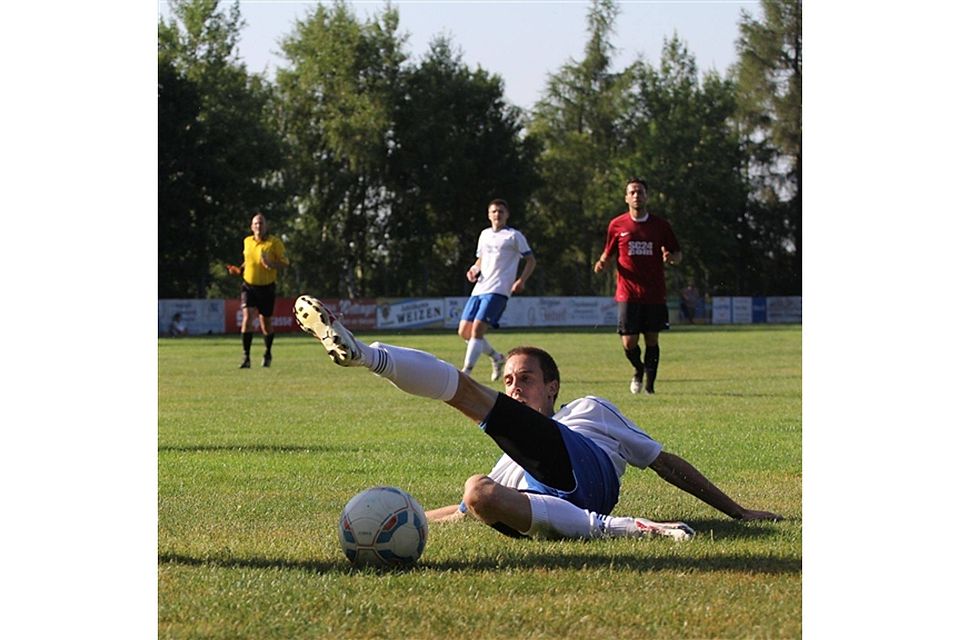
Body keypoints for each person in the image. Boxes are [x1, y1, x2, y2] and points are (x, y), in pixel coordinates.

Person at [293, 295, 782, 542]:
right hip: (552, 503)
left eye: (524, 379)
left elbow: (662, 461)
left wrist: (738, 512)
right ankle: (630, 528)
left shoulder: (589, 410)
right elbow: (460, 514)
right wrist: (404, 520)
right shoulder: (512, 458)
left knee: (465, 393)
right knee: (478, 491)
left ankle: (367, 357)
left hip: (584, 466)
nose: (513, 386)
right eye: (508, 380)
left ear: (553, 388)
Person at [594, 177, 681, 395]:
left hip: (654, 292)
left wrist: (671, 257)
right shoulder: (617, 225)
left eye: (640, 192)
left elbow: (677, 254)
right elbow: (608, 251)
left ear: (646, 196)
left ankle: (650, 388)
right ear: (626, 197)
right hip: (627, 292)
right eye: (632, 192)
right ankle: (638, 369)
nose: (636, 195)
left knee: (652, 338)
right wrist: (602, 262)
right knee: (628, 342)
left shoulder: (660, 226)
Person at [458, 199, 536, 382]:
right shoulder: (484, 234)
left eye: (501, 211)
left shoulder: (514, 236)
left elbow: (531, 260)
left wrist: (521, 280)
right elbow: (481, 259)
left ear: (507, 214)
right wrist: (474, 269)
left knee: (477, 330)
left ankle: (466, 373)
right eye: (494, 211)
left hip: (499, 289)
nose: (497, 214)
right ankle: (497, 357)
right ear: (488, 214)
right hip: (480, 288)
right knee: (464, 332)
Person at [227, 212, 289, 368]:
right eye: (255, 223)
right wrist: (239, 270)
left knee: (265, 323)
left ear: (266, 226)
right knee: (247, 318)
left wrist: (270, 264)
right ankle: (246, 357)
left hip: (267, 287)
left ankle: (267, 353)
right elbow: (248, 262)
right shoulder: (247, 241)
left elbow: (285, 263)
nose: (258, 226)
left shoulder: (274, 243)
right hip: (249, 286)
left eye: (261, 223)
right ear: (251, 226)